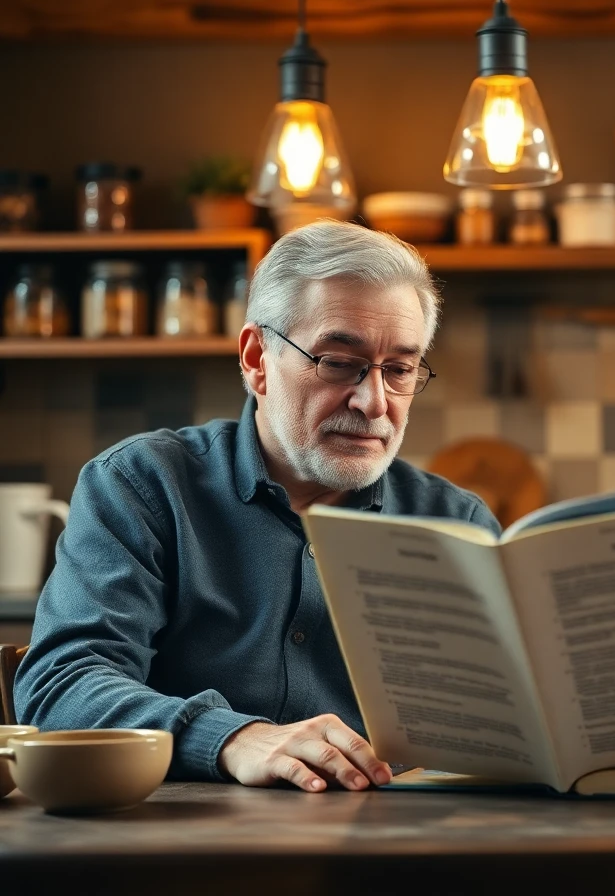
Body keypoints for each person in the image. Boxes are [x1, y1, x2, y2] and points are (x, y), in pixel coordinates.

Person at [15, 220, 500, 792]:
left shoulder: (457, 524)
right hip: (181, 850)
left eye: (399, 370)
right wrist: (229, 737)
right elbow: (62, 687)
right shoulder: (142, 487)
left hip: (406, 851)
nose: (375, 403)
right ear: (257, 358)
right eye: (339, 362)